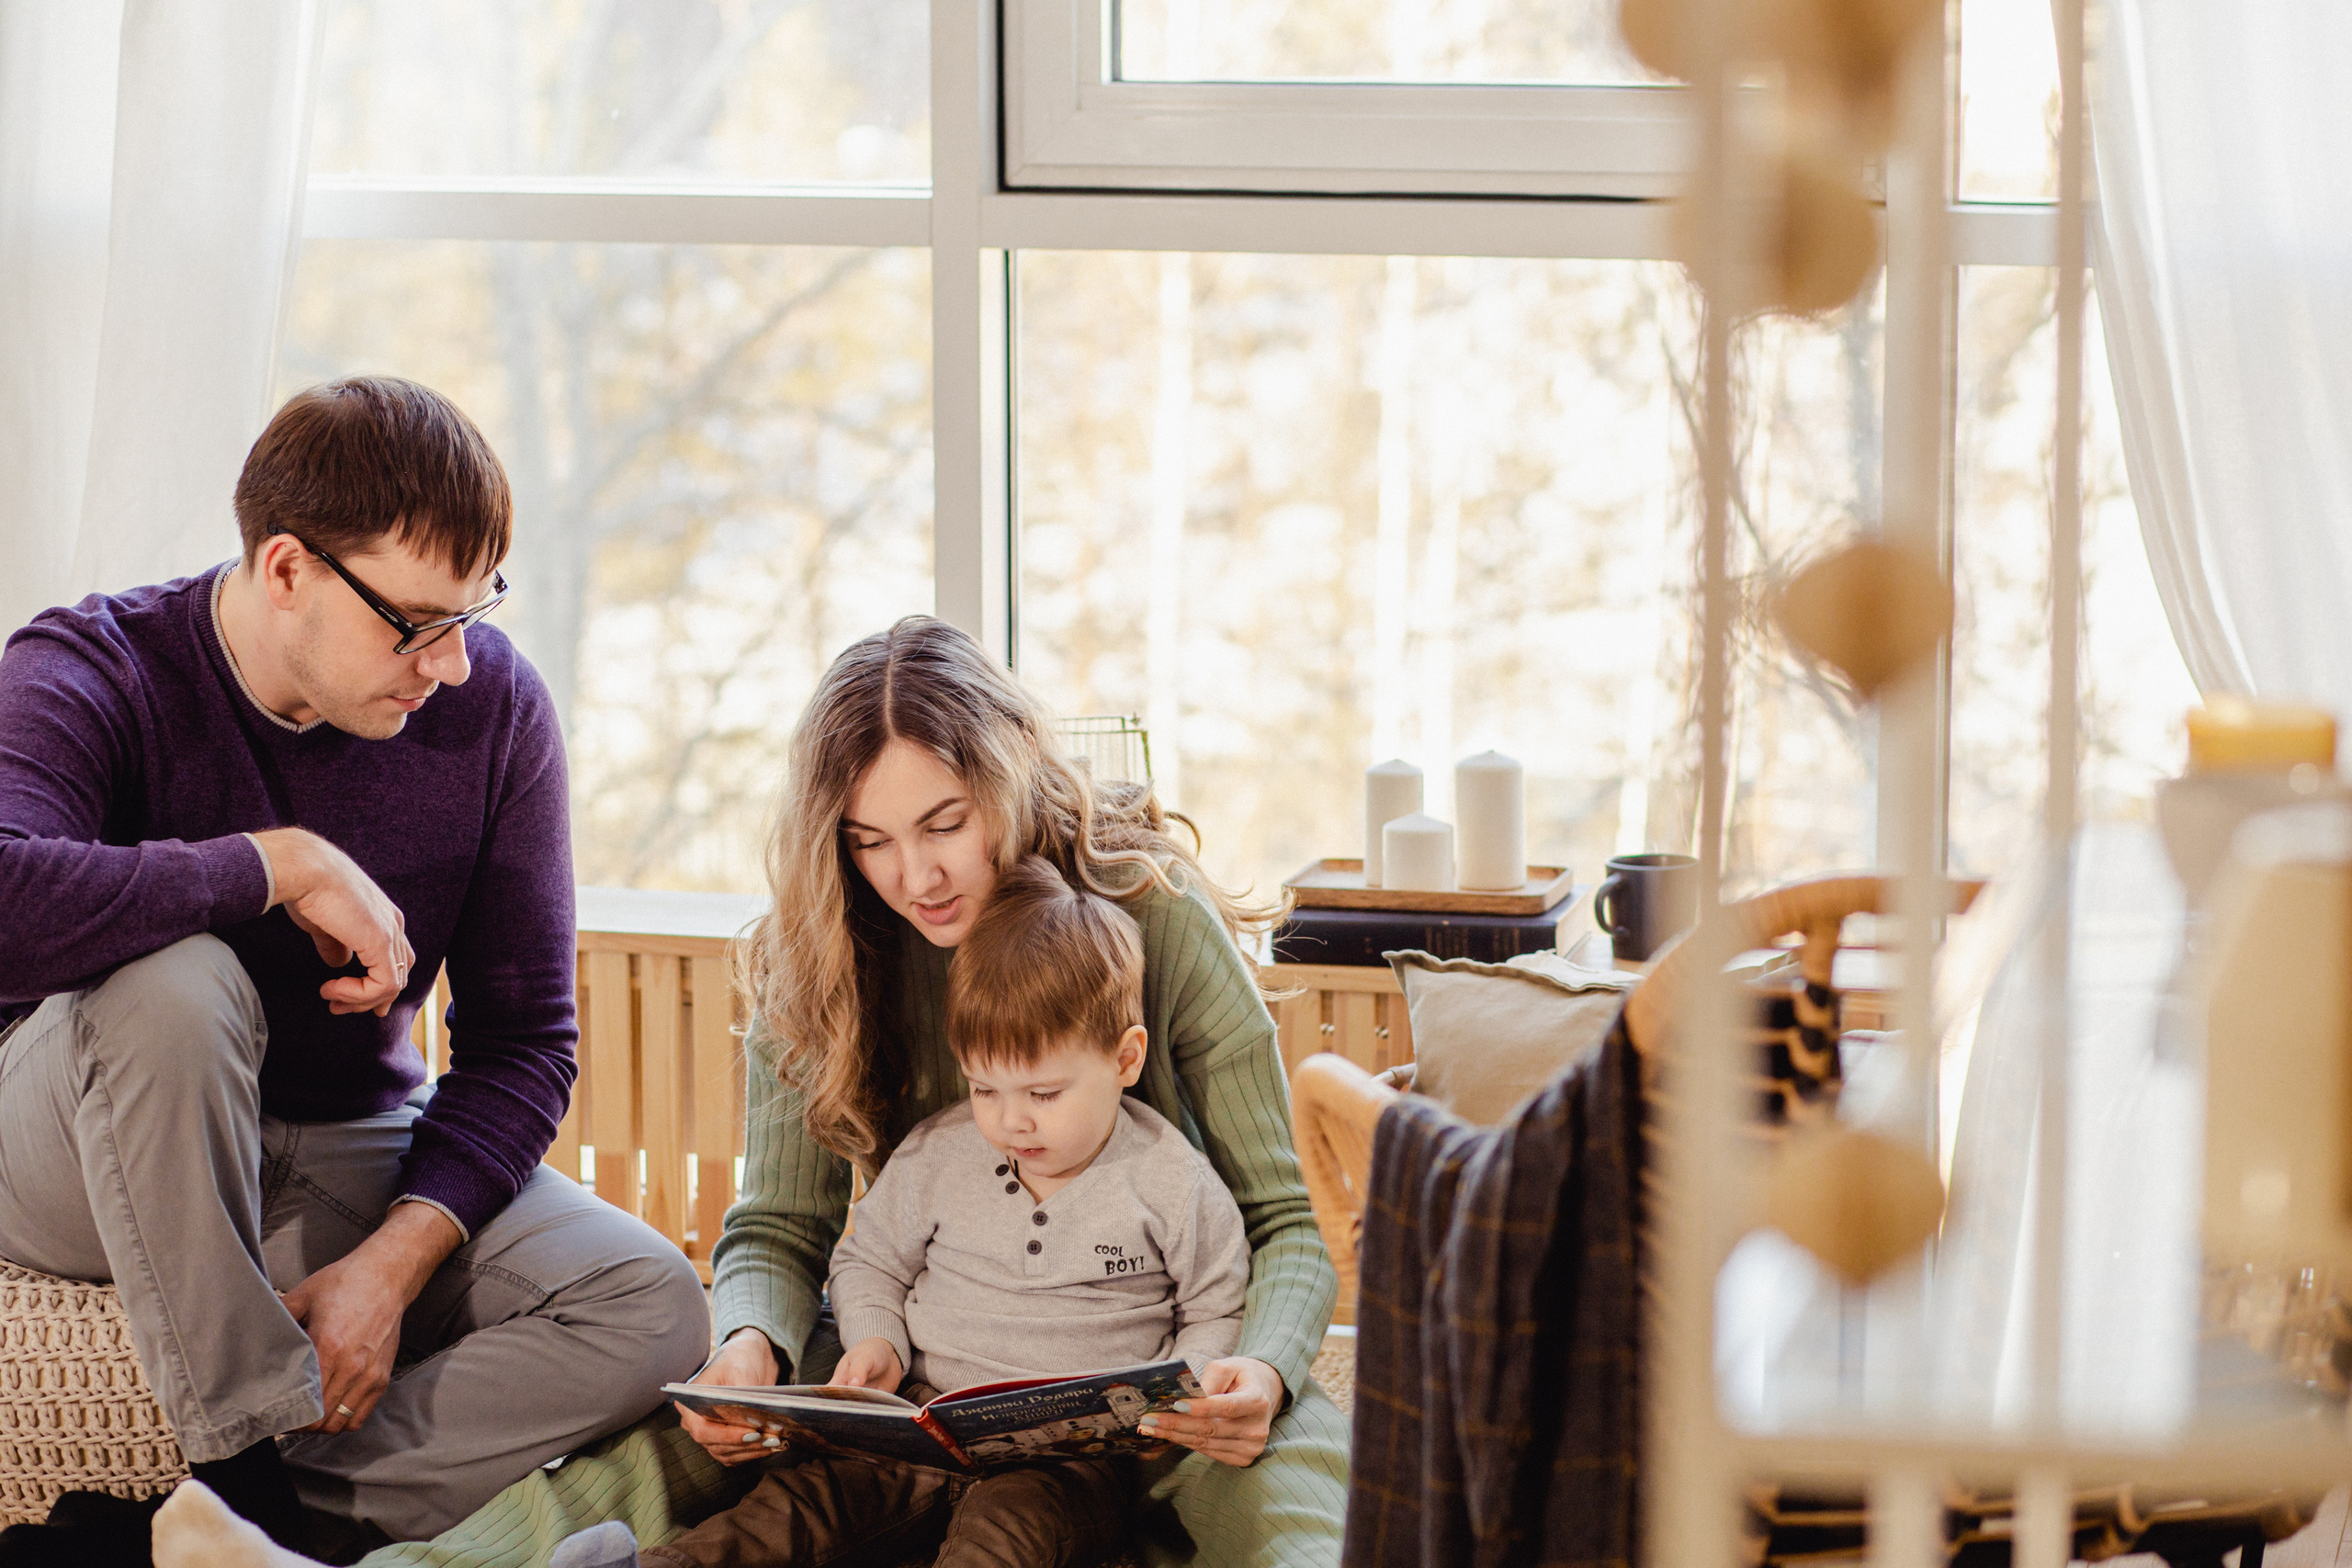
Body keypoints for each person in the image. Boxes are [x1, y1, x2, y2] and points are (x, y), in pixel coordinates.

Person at [299, 615, 1348, 1568]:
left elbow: (1284, 1219)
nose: (916, 876)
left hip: (1161, 1368)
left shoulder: (1146, 915)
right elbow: (780, 1228)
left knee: (1302, 1487)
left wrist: (1255, 1371)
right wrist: (750, 1343)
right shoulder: (822, 956)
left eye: (944, 823)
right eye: (871, 842)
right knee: (665, 1456)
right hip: (919, 1359)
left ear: (1011, 776)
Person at [0, 378, 710, 1565]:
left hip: (341, 1148)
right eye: (416, 622)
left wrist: (393, 1260)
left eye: (473, 615)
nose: (457, 665)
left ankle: (173, 1540)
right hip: (76, 1141)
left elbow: (526, 1041)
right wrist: (274, 864)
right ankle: (246, 1486)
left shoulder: (493, 717)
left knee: (652, 1298)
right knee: (175, 982)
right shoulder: (97, 666)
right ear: (287, 569)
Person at [535, 855, 1252, 1568]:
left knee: (1006, 1543)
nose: (1011, 1122)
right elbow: (870, 1258)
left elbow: (1218, 1304)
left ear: (1125, 1059)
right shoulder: (940, 1152)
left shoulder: (1168, 1178)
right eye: (985, 1089)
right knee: (799, 1509)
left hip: (1070, 1458)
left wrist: (1183, 1386)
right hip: (922, 1418)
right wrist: (877, 1338)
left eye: (1043, 1094)